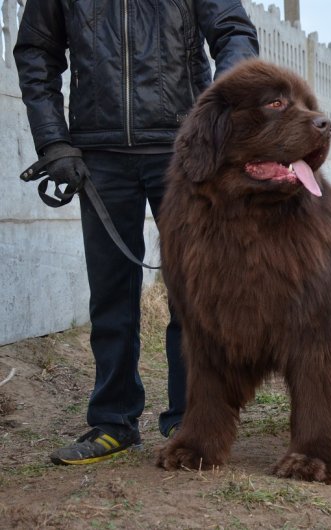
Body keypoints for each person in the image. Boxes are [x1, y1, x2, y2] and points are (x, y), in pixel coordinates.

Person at [14, 1, 259, 465]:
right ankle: (112, 421)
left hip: (185, 148)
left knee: (192, 294)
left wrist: (218, 109)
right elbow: (36, 52)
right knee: (110, 295)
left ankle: (192, 420)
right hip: (98, 153)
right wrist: (53, 140)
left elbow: (233, 32)